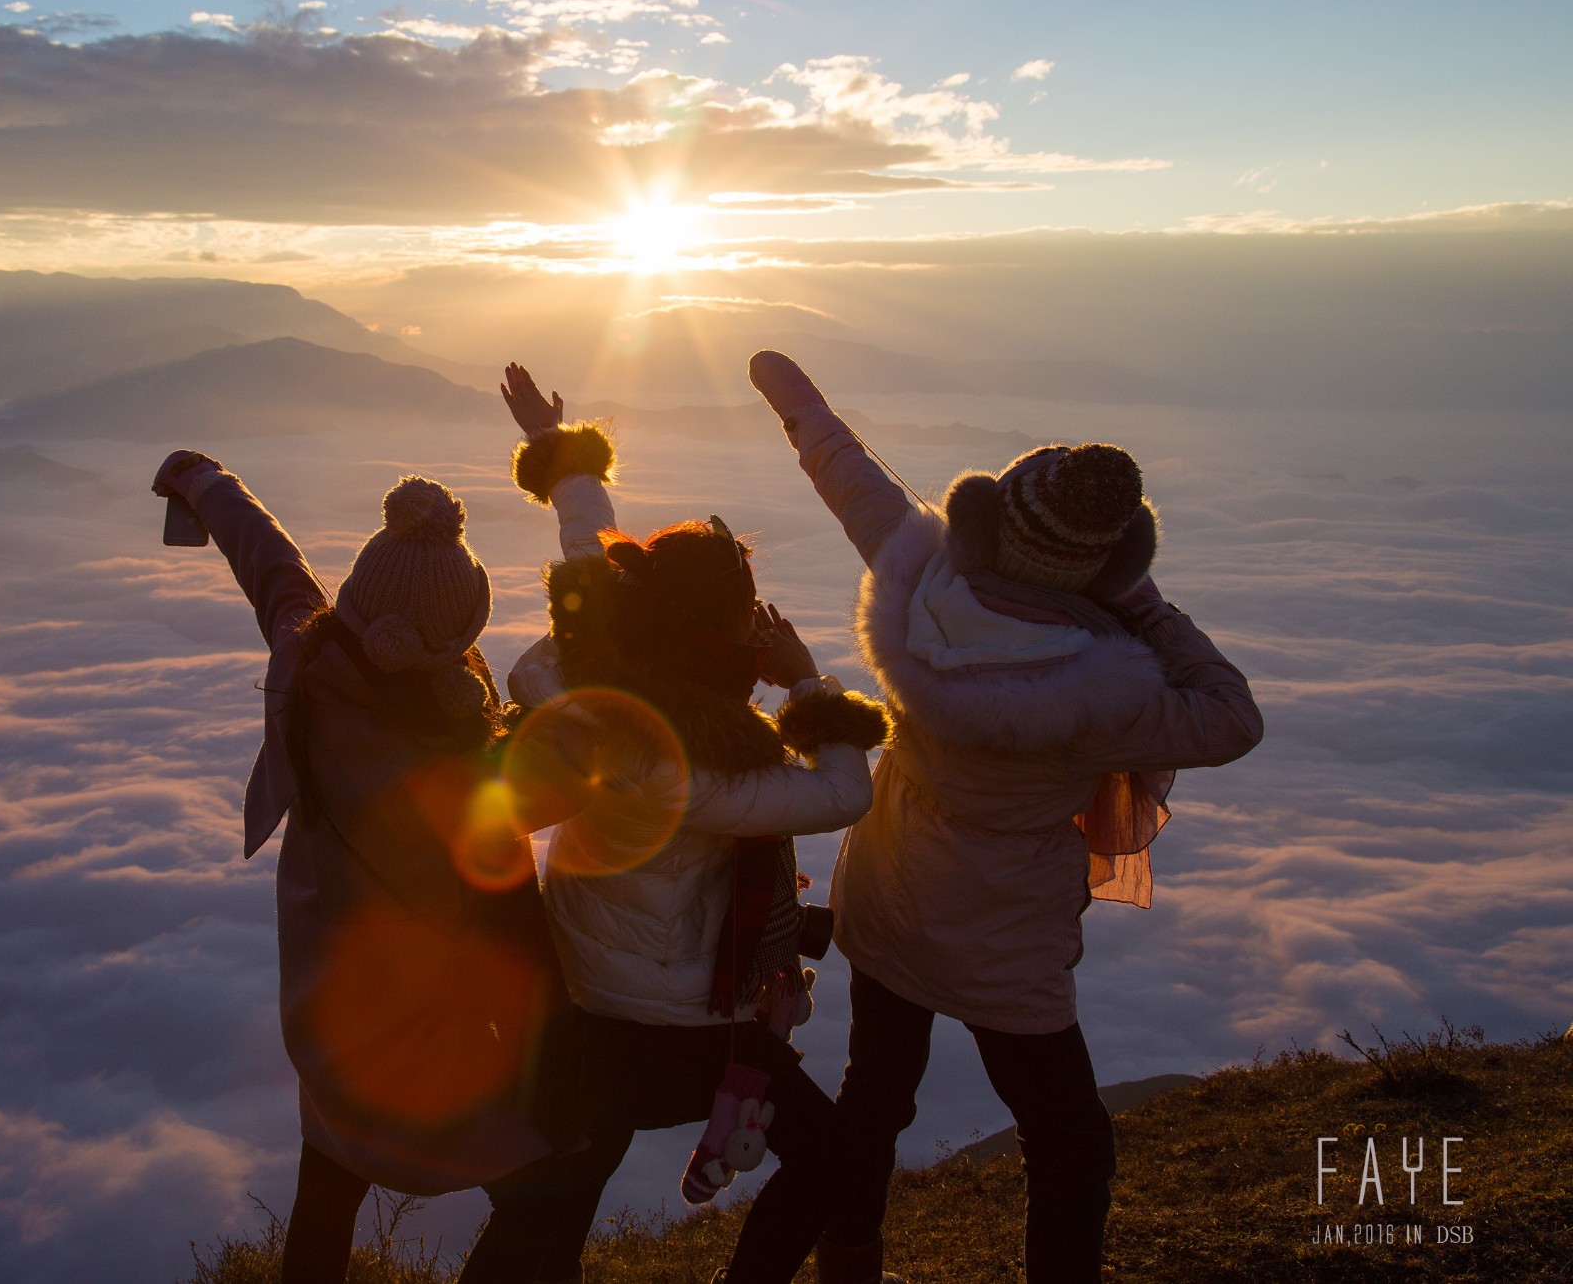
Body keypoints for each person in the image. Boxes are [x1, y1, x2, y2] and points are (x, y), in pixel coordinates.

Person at [743, 349, 1265, 1284]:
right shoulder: (1107, 693)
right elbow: (1233, 715)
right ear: (1107, 567)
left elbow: (848, 474)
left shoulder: (916, 579)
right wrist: (1143, 604)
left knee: (872, 1103)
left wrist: (796, 399)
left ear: (990, 518)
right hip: (1005, 939)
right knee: (1069, 1146)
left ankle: (846, 1268)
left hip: (892, 899)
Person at [494, 364, 890, 1284]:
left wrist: (562, 459)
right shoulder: (709, 776)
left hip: (580, 996)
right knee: (834, 1158)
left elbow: (593, 555)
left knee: (556, 1211)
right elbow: (843, 789)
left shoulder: (595, 691)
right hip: (678, 1024)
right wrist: (803, 678)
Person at [150, 450, 574, 1284]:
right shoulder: (469, 778)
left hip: (327, 1009)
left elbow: (270, 563)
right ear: (460, 641)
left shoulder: (306, 662)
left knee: (328, 1185)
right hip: (429, 1036)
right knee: (546, 1191)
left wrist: (203, 482)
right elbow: (545, 861)